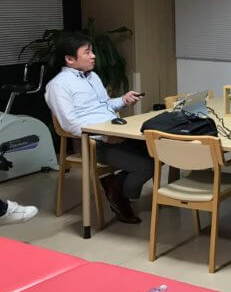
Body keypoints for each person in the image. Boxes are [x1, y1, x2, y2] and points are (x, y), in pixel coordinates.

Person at [45, 33, 151, 224]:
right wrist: (103, 137)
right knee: (147, 166)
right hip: (93, 142)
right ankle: (120, 196)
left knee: (159, 152)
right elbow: (70, 124)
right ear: (70, 59)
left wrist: (123, 100)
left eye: (92, 51)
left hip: (115, 131)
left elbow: (105, 105)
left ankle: (115, 186)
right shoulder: (58, 86)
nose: (93, 56)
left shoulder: (92, 76)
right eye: (87, 52)